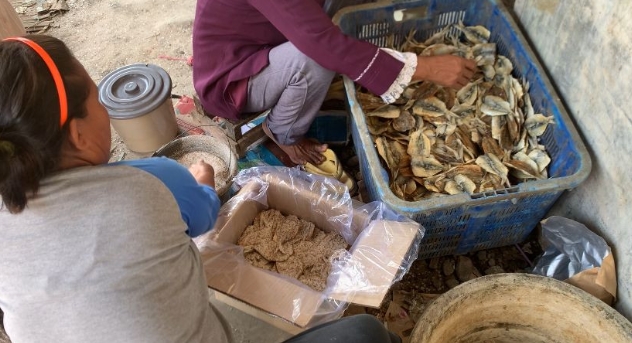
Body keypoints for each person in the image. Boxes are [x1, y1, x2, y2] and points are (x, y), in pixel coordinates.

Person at [0, 34, 403, 343]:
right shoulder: (148, 182)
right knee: (367, 333)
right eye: (98, 100)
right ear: (79, 135)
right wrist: (202, 183)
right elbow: (205, 216)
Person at [192, 0, 476, 166]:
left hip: (271, 38)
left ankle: (358, 67)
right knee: (314, 58)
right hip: (235, 74)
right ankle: (282, 134)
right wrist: (426, 67)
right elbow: (321, 44)